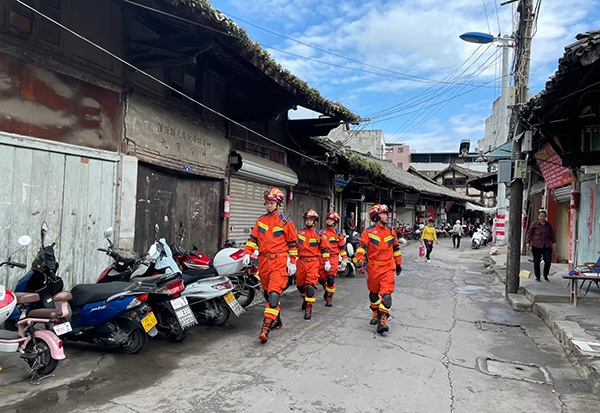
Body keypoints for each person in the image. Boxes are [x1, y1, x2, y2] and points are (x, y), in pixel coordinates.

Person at [243, 188, 298, 343]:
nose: (268, 206)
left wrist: (292, 261)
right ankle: (277, 321)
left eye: (272, 203)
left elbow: (293, 244)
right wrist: (247, 252)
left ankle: (265, 328)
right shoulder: (261, 221)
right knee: (268, 295)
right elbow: (253, 239)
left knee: (273, 295)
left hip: (279, 262)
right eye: (267, 203)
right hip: (263, 262)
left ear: (278, 204)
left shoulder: (286, 223)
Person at [355, 204, 402, 334]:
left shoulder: (391, 231)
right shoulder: (368, 232)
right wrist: (359, 260)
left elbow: (396, 249)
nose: (387, 216)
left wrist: (398, 264)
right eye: (384, 214)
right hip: (373, 267)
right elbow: (361, 246)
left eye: (387, 213)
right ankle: (375, 312)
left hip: (388, 267)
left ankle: (383, 320)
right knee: (373, 293)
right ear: (376, 216)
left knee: (387, 294)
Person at [296, 210, 330, 320]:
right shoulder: (300, 234)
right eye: (307, 220)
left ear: (314, 221)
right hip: (301, 262)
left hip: (313, 262)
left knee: (310, 286)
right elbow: (294, 246)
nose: (308, 222)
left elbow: (324, 249)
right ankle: (305, 300)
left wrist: (327, 261)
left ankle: (309, 309)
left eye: (310, 220)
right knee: (300, 285)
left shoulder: (319, 235)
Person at [318, 212, 348, 307]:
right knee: (321, 279)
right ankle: (326, 288)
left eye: (331, 220)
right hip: (322, 258)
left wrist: (344, 258)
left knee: (330, 278)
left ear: (335, 222)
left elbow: (342, 247)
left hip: (333, 258)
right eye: (328, 219)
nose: (328, 221)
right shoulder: (321, 232)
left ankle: (329, 298)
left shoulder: (338, 234)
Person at [525, 210, 556, 282]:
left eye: (544, 216)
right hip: (536, 245)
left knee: (548, 260)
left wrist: (554, 243)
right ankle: (537, 276)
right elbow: (529, 234)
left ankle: (545, 274)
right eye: (541, 216)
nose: (542, 218)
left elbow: (552, 234)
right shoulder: (534, 224)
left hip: (547, 245)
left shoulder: (549, 225)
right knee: (536, 261)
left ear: (546, 217)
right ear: (538, 216)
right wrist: (528, 242)